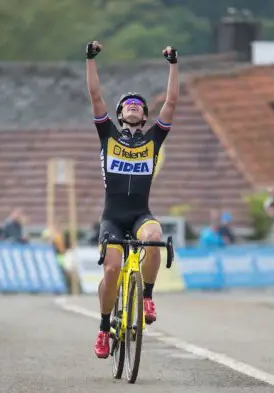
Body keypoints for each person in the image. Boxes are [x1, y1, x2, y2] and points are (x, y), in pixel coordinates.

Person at [85, 40, 179, 358]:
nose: (134, 105)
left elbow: (172, 101)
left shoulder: (154, 137)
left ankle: (148, 296)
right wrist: (90, 60)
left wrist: (173, 65)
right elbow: (95, 96)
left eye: (139, 103)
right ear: (121, 113)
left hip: (140, 213)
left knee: (154, 237)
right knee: (111, 270)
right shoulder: (108, 134)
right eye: (128, 103)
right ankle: (102, 328)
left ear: (144, 114)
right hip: (112, 216)